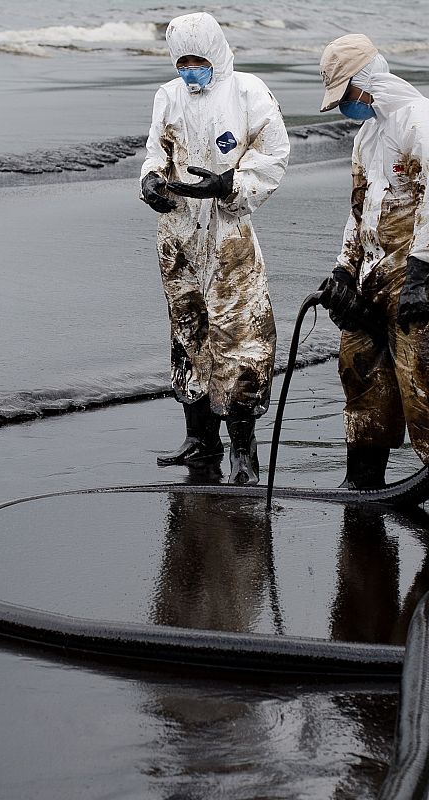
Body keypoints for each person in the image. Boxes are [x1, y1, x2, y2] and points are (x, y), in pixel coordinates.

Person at [317, 34, 429, 530]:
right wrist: (344, 271)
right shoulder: (368, 137)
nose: (347, 108)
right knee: (361, 374)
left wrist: (417, 281)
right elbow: (360, 212)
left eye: (347, 96)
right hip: (377, 275)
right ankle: (363, 483)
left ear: (367, 84)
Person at [139, 12, 290, 484]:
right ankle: (200, 437)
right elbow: (154, 151)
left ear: (216, 53)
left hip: (228, 235)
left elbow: (274, 155)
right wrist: (149, 181)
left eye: (197, 60)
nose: (189, 70)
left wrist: (229, 183)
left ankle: (243, 448)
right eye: (181, 61)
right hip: (179, 233)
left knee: (240, 336)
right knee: (188, 331)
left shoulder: (247, 92)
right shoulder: (168, 97)